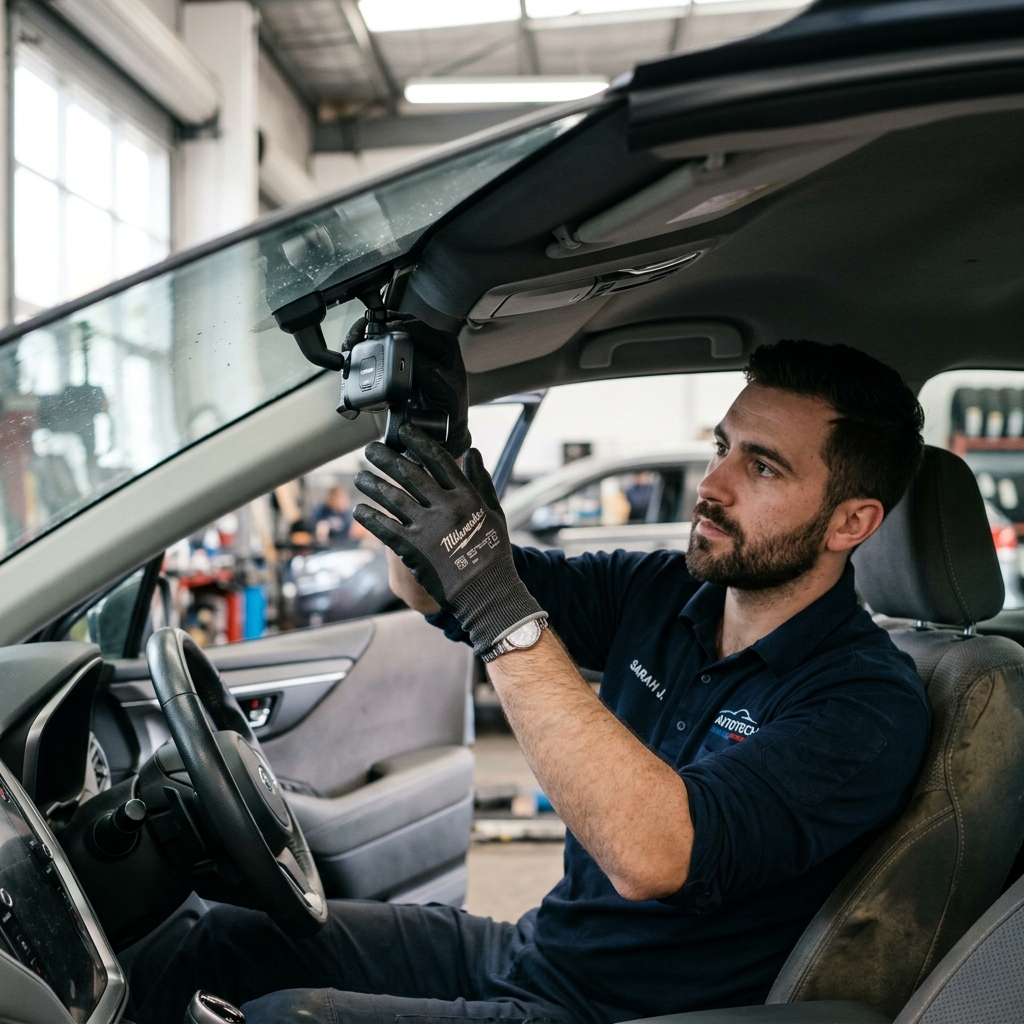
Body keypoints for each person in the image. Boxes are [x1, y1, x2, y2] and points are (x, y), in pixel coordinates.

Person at [129, 333, 931, 1024]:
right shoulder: (666, 590)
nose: (712, 485)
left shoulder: (864, 705)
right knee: (228, 940)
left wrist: (491, 594)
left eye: (762, 468)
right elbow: (436, 587)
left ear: (851, 521)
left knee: (283, 1019)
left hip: (617, 1013)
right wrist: (427, 460)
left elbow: (652, 853)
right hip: (537, 952)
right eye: (723, 446)